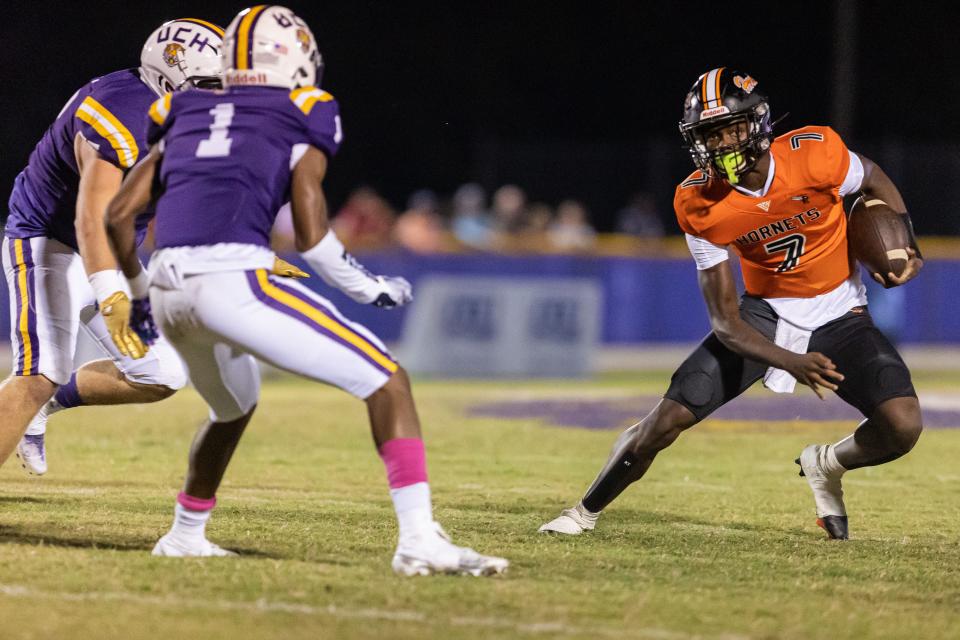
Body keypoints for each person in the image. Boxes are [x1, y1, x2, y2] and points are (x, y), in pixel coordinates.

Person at [104, 5, 508, 576]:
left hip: (170, 287)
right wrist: (369, 289)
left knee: (233, 407)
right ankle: (419, 539)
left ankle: (184, 534)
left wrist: (143, 296)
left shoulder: (181, 107)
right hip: (232, 278)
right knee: (388, 381)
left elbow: (118, 216)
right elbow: (314, 239)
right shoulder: (304, 108)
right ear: (290, 57)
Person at [539, 68, 924, 541]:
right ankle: (583, 511)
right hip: (763, 312)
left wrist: (906, 243)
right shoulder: (698, 201)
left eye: (730, 129)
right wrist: (790, 361)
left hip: (840, 310)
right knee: (667, 420)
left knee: (902, 426)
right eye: (708, 134)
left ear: (758, 123)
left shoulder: (815, 152)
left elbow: (874, 177)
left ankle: (826, 463)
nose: (720, 144)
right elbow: (725, 323)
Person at [0, 18, 227, 475]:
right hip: (50, 243)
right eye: (209, 85)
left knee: (161, 374)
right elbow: (92, 218)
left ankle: (43, 408)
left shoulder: (178, 116)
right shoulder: (121, 111)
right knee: (37, 375)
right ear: (168, 78)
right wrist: (111, 293)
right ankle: (35, 398)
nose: (220, 96)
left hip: (104, 252)